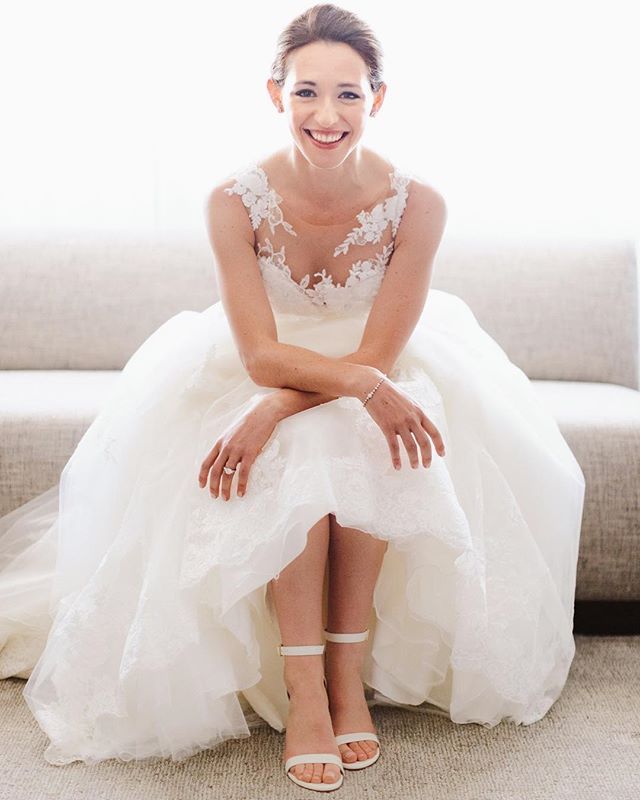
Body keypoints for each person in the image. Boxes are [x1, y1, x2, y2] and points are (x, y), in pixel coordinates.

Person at [0, 2, 586, 793]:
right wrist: (273, 399)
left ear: (379, 98)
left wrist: (278, 406)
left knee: (369, 436)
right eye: (307, 91)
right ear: (275, 94)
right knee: (309, 445)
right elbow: (257, 353)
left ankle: (347, 677)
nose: (327, 114)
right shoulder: (232, 200)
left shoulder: (420, 204)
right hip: (267, 366)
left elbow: (376, 357)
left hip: (373, 369)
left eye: (349, 94)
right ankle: (306, 685)